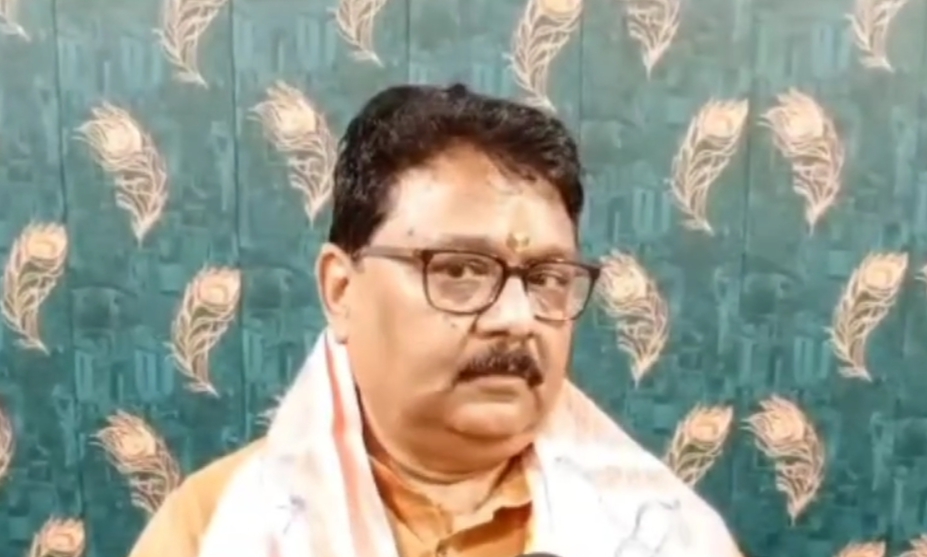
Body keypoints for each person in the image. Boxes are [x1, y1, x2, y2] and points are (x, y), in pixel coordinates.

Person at [127, 83, 742, 557]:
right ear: (341, 289)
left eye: (547, 278)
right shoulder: (213, 529)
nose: (516, 318)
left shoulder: (666, 534)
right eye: (460, 270)